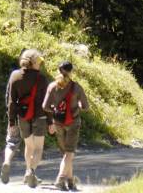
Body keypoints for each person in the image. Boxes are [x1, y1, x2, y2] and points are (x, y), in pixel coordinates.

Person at [1, 49, 49, 188]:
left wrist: (11, 121)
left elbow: (11, 101)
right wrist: (51, 121)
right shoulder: (41, 78)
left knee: (29, 146)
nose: (40, 64)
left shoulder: (15, 76)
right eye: (39, 62)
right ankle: (30, 171)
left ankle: (16, 167)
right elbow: (46, 103)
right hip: (39, 116)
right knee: (38, 148)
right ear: (34, 62)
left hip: (22, 116)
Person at [43, 61, 89, 191]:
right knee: (69, 153)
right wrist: (79, 105)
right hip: (73, 123)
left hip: (58, 123)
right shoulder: (76, 87)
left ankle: (70, 182)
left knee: (65, 154)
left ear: (58, 70)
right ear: (71, 71)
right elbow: (86, 107)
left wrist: (55, 109)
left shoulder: (52, 86)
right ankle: (60, 179)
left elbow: (45, 106)